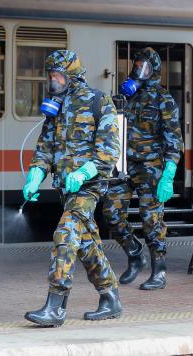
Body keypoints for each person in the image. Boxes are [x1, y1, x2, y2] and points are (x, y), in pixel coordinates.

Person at [23, 50, 122, 327]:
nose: (52, 81)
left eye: (57, 75)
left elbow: (109, 151)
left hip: (88, 187)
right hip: (65, 189)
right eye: (50, 75)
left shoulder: (98, 101)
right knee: (87, 244)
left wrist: (83, 173)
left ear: (71, 75)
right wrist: (34, 176)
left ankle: (55, 305)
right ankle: (110, 296)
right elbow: (44, 149)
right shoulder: (55, 106)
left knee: (65, 235)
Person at [102, 47, 183, 290]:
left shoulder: (164, 99)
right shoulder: (126, 97)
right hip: (124, 167)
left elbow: (174, 141)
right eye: (137, 65)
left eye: (144, 66)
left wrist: (168, 174)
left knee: (152, 220)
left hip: (151, 169)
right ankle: (135, 253)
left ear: (154, 70)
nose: (139, 70)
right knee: (111, 213)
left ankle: (159, 271)